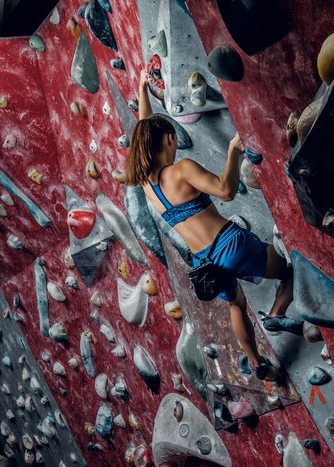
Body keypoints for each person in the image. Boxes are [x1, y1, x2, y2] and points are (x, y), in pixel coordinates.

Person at [126, 70, 300, 380]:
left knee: (237, 306)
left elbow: (143, 126)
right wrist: (233, 151)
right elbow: (226, 191)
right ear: (169, 139)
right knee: (289, 269)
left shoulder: (146, 184)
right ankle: (275, 314)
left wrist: (142, 86)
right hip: (230, 244)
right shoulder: (181, 170)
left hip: (204, 263)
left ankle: (258, 364)